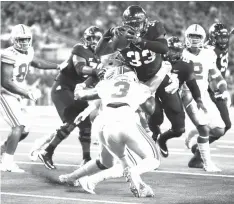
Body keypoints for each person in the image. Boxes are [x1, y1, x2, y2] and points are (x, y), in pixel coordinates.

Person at [59, 63, 172, 197]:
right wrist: (164, 69)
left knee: (106, 162)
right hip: (124, 120)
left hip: (102, 123)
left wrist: (79, 87)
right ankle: (92, 180)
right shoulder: (136, 85)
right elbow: (151, 105)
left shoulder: (105, 85)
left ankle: (72, 177)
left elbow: (80, 95)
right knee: (152, 160)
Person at [95, 5, 184, 153]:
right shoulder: (122, 35)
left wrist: (140, 41)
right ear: (125, 24)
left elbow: (164, 48)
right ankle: (154, 136)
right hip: (140, 83)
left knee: (179, 125)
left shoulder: (154, 27)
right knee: (155, 117)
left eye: (137, 23)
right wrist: (108, 34)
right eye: (131, 24)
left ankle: (162, 138)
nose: (135, 27)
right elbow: (99, 52)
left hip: (160, 76)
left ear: (145, 21)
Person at [34, 26, 105, 169]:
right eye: (91, 38)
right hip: (62, 88)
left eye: (97, 38)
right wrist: (97, 71)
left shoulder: (99, 56)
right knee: (72, 120)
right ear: (85, 38)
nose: (93, 41)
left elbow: (93, 77)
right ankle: (47, 151)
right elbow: (81, 68)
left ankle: (86, 158)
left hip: (76, 91)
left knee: (85, 123)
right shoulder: (79, 49)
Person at [0, 24, 59, 173]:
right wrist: (26, 93)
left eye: (27, 39)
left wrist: (58, 66)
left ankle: (2, 150)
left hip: (16, 95)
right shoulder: (8, 54)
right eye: (21, 39)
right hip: (5, 93)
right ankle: (7, 162)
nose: (25, 42)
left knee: (25, 129)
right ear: (14, 39)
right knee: (18, 125)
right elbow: (5, 82)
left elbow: (38, 63)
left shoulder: (28, 52)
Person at [181, 24, 229, 172]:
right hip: (187, 95)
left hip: (204, 95)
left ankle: (191, 134)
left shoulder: (208, 54)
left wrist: (222, 87)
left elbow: (216, 75)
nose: (195, 39)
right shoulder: (180, 54)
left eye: (198, 37)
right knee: (204, 130)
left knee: (220, 129)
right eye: (192, 36)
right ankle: (207, 163)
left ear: (203, 39)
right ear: (186, 37)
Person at [154, 36, 207, 157]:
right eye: (171, 49)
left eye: (178, 50)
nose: (174, 53)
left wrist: (198, 99)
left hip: (171, 93)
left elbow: (192, 84)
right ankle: (152, 144)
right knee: (156, 119)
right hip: (153, 92)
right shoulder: (155, 59)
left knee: (179, 129)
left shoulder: (186, 64)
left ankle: (162, 139)